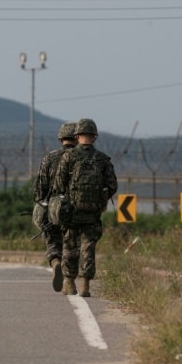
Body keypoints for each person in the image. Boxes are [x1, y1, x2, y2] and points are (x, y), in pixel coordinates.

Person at [52, 118, 117, 297]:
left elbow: (58, 183)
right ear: (94, 137)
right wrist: (100, 199)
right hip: (93, 212)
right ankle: (85, 285)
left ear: (78, 135)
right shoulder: (102, 159)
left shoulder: (68, 157)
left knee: (69, 245)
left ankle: (70, 283)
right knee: (88, 246)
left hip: (72, 211)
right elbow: (112, 185)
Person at [33, 122, 77, 292]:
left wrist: (42, 205)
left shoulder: (49, 158)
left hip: (53, 209)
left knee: (53, 242)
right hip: (74, 209)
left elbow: (40, 188)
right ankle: (69, 281)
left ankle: (55, 262)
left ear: (61, 139)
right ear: (77, 138)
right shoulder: (80, 157)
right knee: (72, 245)